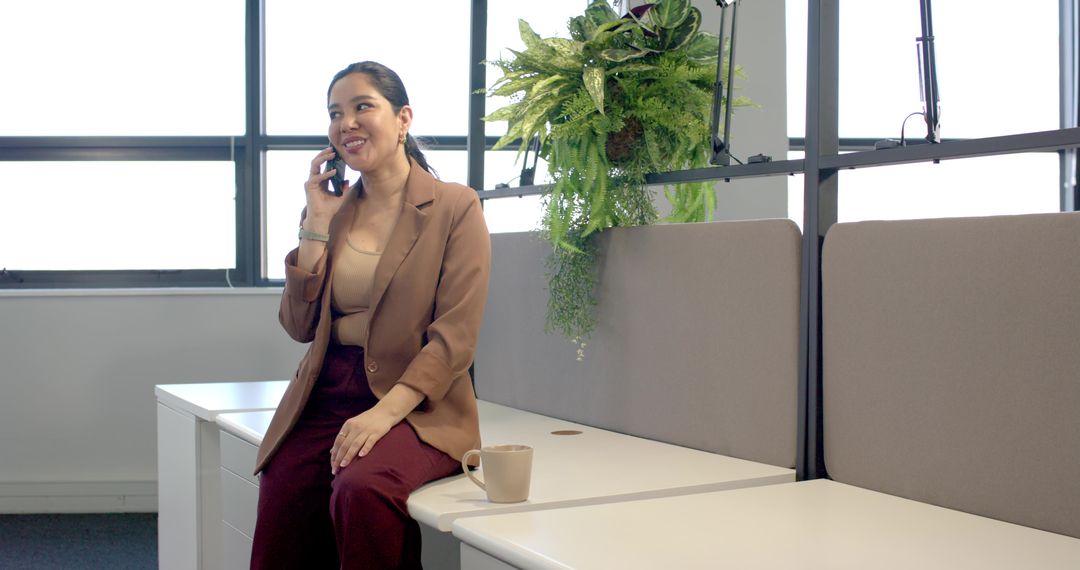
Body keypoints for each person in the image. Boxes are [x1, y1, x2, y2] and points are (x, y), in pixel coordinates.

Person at [250, 61, 491, 569]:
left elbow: (455, 339)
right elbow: (297, 327)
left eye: (364, 107)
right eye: (336, 113)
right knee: (284, 485)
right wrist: (315, 226)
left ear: (403, 118)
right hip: (325, 389)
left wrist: (383, 414)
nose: (347, 123)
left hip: (419, 401)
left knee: (362, 489)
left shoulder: (455, 207)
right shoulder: (330, 210)